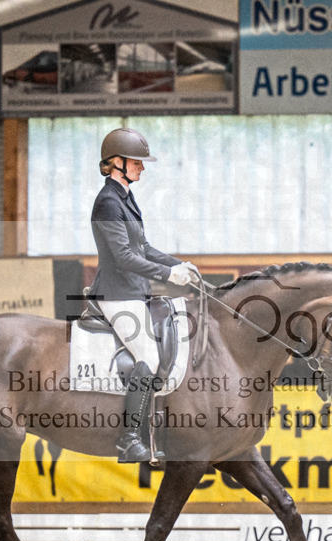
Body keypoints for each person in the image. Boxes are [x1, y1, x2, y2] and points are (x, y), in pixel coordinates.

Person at [89, 128, 197, 463]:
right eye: (136, 162)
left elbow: (144, 248)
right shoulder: (107, 202)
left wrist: (178, 264)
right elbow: (123, 257)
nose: (142, 168)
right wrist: (168, 275)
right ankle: (128, 439)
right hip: (117, 293)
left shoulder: (125, 198)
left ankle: (153, 434)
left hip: (135, 292)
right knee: (148, 358)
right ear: (116, 163)